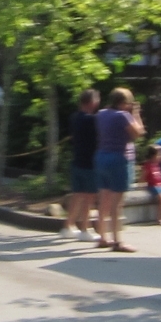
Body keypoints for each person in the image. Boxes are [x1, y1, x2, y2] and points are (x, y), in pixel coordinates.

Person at [94, 87, 144, 252]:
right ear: (123, 103)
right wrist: (136, 113)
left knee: (104, 200)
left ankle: (102, 237)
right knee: (117, 203)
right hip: (119, 158)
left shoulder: (101, 113)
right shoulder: (123, 115)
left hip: (101, 156)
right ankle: (117, 241)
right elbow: (138, 133)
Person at [64, 88, 101, 242]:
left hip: (77, 160)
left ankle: (68, 225)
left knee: (77, 195)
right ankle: (85, 229)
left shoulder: (75, 117)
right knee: (88, 197)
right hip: (90, 162)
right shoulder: (92, 120)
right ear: (92, 102)